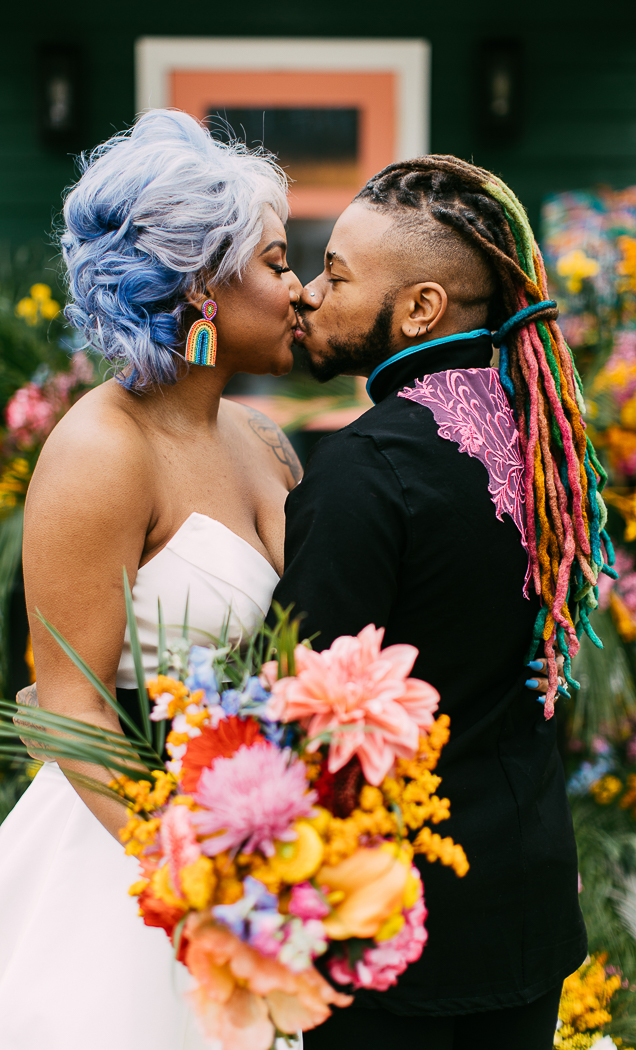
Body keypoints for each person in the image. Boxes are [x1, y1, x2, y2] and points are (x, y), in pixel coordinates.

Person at [0, 109, 303, 1050]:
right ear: (205, 290)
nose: (299, 290)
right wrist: (197, 883)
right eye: (276, 261)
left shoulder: (261, 442)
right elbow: (64, 708)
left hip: (259, 832)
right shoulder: (101, 450)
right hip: (127, 854)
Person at [273, 157, 609, 1050]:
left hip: (398, 931)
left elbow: (302, 717)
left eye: (336, 274)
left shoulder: (361, 469)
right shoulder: (546, 449)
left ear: (420, 309)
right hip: (531, 902)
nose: (308, 293)